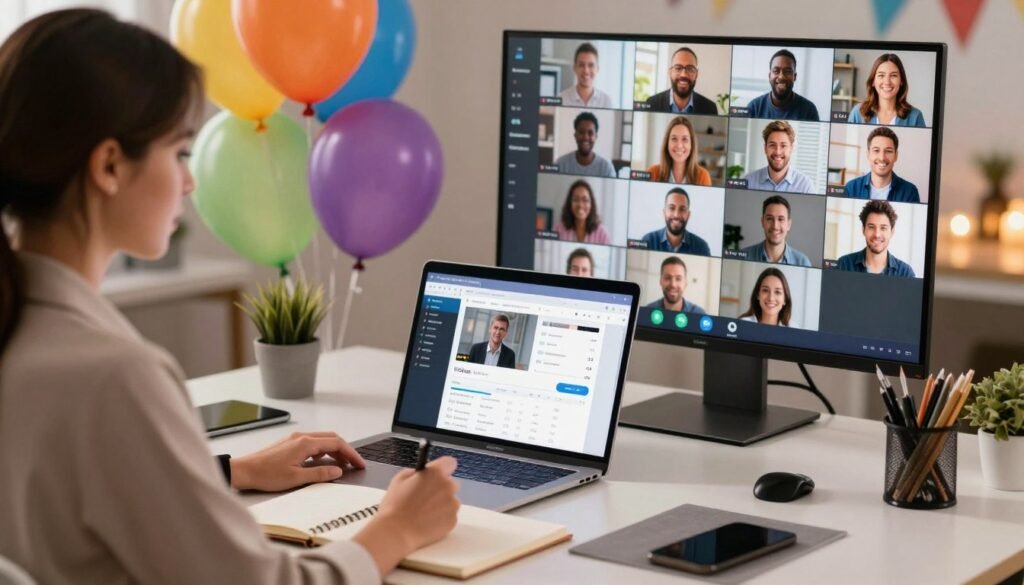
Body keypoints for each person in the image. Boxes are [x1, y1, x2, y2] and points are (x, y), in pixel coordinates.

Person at [0, 9, 460, 585]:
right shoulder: (114, 378)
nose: (190, 182)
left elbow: (72, 494)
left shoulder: (24, 336)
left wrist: (225, 471)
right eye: (180, 153)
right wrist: (397, 527)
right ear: (110, 166)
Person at [836, 200, 915, 277]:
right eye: (871, 227)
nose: (877, 235)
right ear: (863, 230)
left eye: (883, 228)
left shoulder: (905, 273)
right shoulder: (843, 265)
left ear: (892, 232)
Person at [842, 126, 921, 203]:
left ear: (896, 156)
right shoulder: (851, 188)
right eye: (876, 150)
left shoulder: (910, 192)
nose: (882, 158)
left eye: (888, 151)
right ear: (868, 154)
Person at [848, 53, 926, 127]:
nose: (887, 82)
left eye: (893, 75)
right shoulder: (857, 113)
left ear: (901, 81)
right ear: (873, 81)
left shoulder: (915, 116)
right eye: (881, 75)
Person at [745, 49, 820, 121]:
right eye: (776, 71)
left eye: (787, 71)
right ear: (769, 76)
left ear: (795, 76)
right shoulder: (754, 107)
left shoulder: (809, 110)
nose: (781, 77)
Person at [744, 120, 815, 194]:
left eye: (783, 146)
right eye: (772, 145)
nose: (778, 152)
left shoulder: (806, 186)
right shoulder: (748, 181)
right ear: (765, 148)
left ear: (791, 149)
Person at [739, 195, 812, 266]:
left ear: (789, 225)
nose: (775, 226)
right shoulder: (743, 257)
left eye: (781, 219)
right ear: (762, 222)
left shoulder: (803, 262)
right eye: (769, 219)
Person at [644, 47, 718, 114]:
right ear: (670, 72)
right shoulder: (652, 103)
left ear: (696, 74)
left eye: (690, 69)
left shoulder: (710, 108)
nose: (684, 75)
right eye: (678, 68)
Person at [639, 187, 711, 255]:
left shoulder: (702, 247)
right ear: (664, 212)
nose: (676, 215)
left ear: (688, 215)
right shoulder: (648, 241)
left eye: (682, 209)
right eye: (671, 208)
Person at [646, 116, 712, 185]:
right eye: (674, 139)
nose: (679, 145)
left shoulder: (703, 177)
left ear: (691, 144)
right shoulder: (653, 173)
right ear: (667, 143)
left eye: (684, 139)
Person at [554, 111, 616, 178]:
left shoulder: (607, 169)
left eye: (590, 133)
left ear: (595, 137)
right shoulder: (560, 164)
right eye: (581, 132)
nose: (585, 137)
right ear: (575, 135)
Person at [557, 42, 613, 108]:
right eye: (581, 65)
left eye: (591, 65)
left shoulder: (606, 101)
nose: (586, 71)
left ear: (597, 69)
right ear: (574, 68)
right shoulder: (561, 99)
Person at [555, 179, 609, 243]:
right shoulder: (558, 229)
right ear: (570, 203)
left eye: (585, 200)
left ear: (591, 204)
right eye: (576, 199)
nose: (580, 205)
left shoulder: (602, 234)